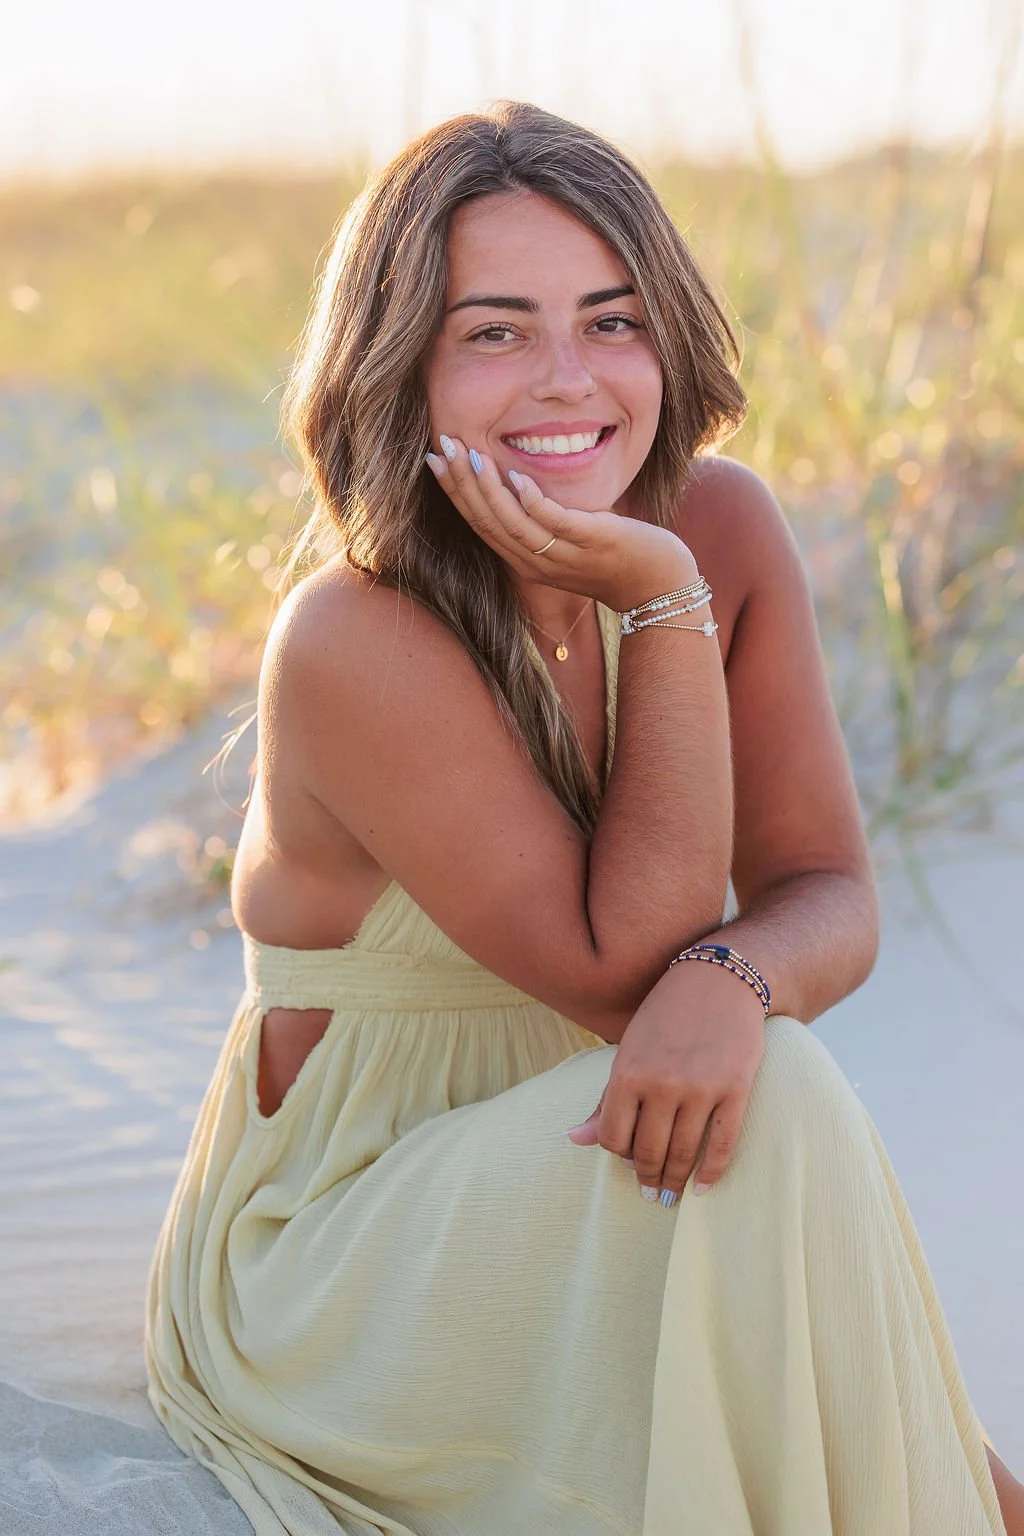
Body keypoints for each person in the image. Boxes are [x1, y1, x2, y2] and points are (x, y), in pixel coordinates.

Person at [144, 100, 1023, 1535]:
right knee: (768, 1096)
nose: (568, 382)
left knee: (751, 1088)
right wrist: (662, 608)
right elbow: (629, 974)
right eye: (496, 333)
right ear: (402, 364)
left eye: (611, 322)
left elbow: (824, 888)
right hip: (344, 1259)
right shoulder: (356, 635)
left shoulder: (723, 522)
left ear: (666, 340)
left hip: (618, 1165)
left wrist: (736, 981)